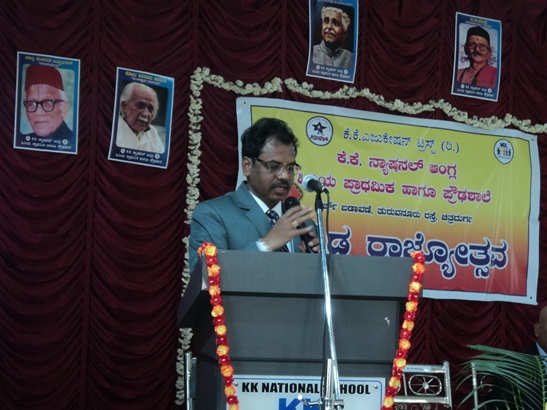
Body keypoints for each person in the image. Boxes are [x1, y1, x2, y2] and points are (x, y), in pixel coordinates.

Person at [188, 118, 320, 272]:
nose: (285, 176)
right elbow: (205, 277)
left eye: (290, 168)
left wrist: (315, 266)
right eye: (273, 166)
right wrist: (265, 244)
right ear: (247, 166)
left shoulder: (305, 225)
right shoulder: (213, 214)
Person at [21, 65, 73, 141]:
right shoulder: (23, 140)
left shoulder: (74, 141)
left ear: (64, 108)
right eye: (31, 103)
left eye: (48, 103)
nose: (38, 112)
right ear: (26, 111)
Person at [116, 82, 165, 153]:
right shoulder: (114, 129)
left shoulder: (153, 133)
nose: (145, 114)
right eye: (140, 105)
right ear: (124, 106)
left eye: (150, 109)